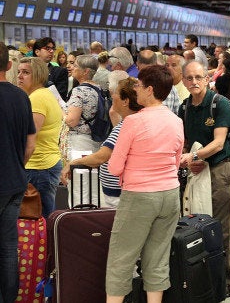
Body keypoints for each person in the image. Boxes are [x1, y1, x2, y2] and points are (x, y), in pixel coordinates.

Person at [105, 65, 184, 303]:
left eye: (139, 85)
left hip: (139, 196)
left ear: (149, 90)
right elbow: (177, 159)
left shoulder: (132, 123)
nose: (136, 88)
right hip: (170, 194)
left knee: (122, 257)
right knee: (158, 257)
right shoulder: (176, 120)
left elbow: (114, 167)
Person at [178, 61, 230, 297]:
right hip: (195, 171)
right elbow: (183, 140)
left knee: (220, 228)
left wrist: (193, 155)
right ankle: (200, 282)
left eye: (198, 77)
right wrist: (191, 159)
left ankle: (224, 284)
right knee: (195, 225)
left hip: (219, 170)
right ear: (183, 80)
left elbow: (219, 143)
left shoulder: (219, 104)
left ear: (207, 79)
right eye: (189, 78)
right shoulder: (184, 108)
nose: (194, 82)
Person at [61, 73, 139, 208]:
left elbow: (100, 158)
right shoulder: (131, 123)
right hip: (121, 193)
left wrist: (74, 163)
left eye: (116, 93)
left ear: (125, 101)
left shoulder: (127, 126)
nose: (112, 96)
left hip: (120, 196)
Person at [0, 42, 36, 303]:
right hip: (15, 182)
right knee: (8, 247)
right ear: (9, 65)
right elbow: (30, 145)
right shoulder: (21, 96)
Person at [18, 57, 63, 218]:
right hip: (44, 164)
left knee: (39, 218)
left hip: (39, 166)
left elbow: (29, 137)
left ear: (37, 75)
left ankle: (46, 244)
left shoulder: (37, 98)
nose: (20, 77)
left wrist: (19, 165)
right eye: (18, 72)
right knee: (44, 215)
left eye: (25, 73)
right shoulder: (44, 95)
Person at [64, 54, 104, 205]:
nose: (72, 68)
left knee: (79, 187)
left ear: (86, 71)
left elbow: (72, 120)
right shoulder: (99, 89)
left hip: (79, 143)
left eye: (76, 66)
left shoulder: (79, 91)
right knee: (93, 186)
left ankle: (79, 221)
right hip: (95, 142)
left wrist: (62, 111)